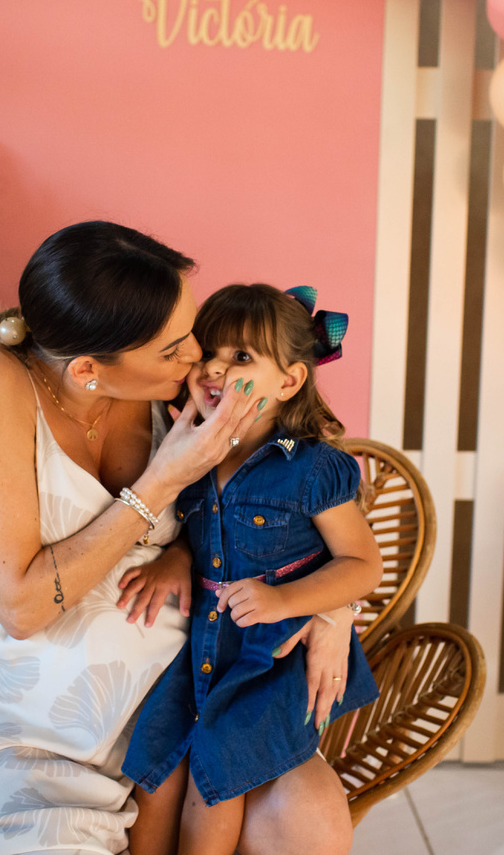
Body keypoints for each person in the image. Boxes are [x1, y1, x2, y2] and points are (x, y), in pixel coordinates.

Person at [0, 222, 359, 855]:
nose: (199, 358)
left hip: (200, 694)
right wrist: (163, 478)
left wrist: (333, 608)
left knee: (309, 821)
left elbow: (277, 513)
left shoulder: (179, 390)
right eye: (175, 350)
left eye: (193, 334)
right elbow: (21, 607)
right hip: (37, 737)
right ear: (89, 369)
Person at [120, 283, 382, 855]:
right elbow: (202, 535)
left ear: (289, 382)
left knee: (218, 770)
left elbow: (363, 565)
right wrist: (176, 558)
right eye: (209, 352)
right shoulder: (194, 455)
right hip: (206, 646)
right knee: (156, 761)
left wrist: (285, 601)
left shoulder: (311, 468)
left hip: (271, 658)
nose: (214, 368)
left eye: (240, 357)